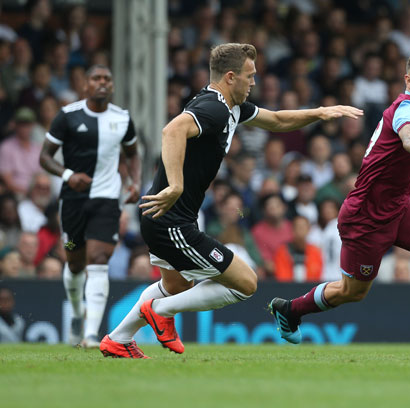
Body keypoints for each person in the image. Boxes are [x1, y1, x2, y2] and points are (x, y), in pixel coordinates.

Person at [100, 43, 362, 358]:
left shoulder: (233, 107)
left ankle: (118, 338)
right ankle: (162, 312)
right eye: (249, 76)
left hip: (166, 219)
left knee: (175, 285)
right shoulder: (215, 107)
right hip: (171, 221)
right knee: (245, 283)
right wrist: (176, 185)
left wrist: (318, 113)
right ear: (230, 76)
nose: (254, 82)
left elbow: (278, 121)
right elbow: (172, 131)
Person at [268, 50, 410, 355]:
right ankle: (290, 310)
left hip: (398, 206)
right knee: (352, 292)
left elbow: (408, 153)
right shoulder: (408, 111)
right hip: (366, 216)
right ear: (409, 81)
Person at [38, 65, 141, 348]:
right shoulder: (68, 116)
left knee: (99, 259)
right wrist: (69, 175)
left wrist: (135, 182)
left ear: (112, 85)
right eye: (96, 78)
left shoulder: (122, 118)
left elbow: (133, 154)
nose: (102, 83)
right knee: (74, 261)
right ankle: (76, 312)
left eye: (107, 78)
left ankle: (91, 335)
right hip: (72, 202)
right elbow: (44, 156)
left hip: (106, 201)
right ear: (86, 85)